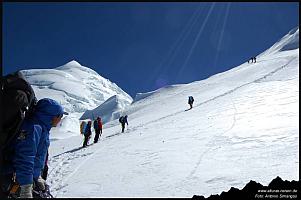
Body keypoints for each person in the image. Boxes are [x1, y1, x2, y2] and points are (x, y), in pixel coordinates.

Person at [0, 98, 68, 198]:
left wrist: (37, 176)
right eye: (60, 116)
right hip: (13, 177)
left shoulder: (42, 127)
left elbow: (37, 157)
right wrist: (26, 188)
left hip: (24, 178)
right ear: (53, 116)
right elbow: (25, 158)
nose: (60, 119)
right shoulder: (33, 127)